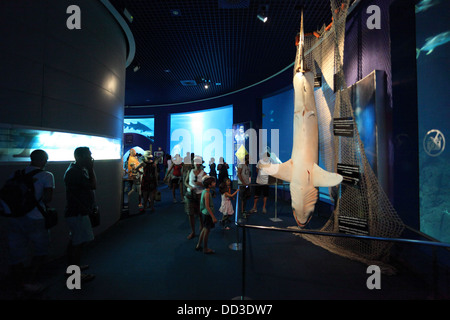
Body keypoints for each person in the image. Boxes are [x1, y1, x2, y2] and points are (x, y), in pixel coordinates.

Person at [3, 149, 54, 293]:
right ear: (44, 160)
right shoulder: (46, 175)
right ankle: (30, 282)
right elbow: (48, 198)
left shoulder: (16, 174)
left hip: (14, 218)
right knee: (40, 252)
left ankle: (17, 284)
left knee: (16, 254)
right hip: (36, 218)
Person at [64, 147, 96, 283]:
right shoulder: (75, 172)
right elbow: (93, 185)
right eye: (89, 155)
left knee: (76, 242)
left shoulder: (74, 170)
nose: (91, 157)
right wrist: (90, 169)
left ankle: (72, 268)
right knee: (78, 243)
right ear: (81, 156)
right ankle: (74, 277)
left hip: (77, 211)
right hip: (77, 212)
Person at [184, 155, 205, 240]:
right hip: (190, 194)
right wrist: (189, 186)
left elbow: (207, 185)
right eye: (195, 161)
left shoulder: (203, 173)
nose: (197, 163)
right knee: (190, 213)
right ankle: (193, 231)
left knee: (200, 212)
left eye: (198, 162)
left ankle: (201, 224)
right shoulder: (190, 171)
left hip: (199, 194)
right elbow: (185, 182)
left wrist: (201, 184)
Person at [196, 175, 217, 254]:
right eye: (213, 182)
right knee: (207, 231)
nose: (215, 183)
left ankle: (198, 245)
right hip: (208, 215)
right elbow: (207, 207)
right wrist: (213, 217)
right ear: (209, 185)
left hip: (205, 213)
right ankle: (205, 248)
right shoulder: (207, 193)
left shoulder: (205, 191)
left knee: (204, 229)